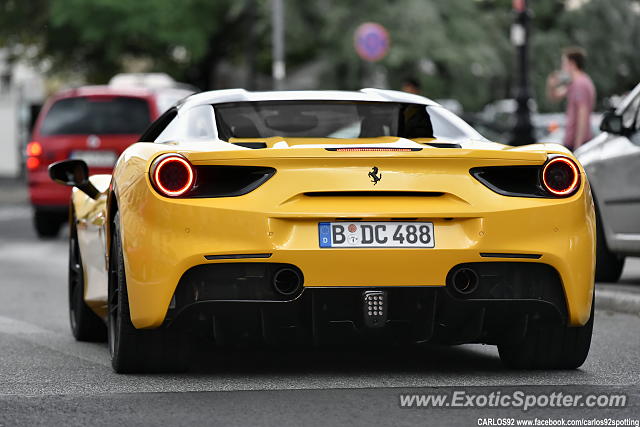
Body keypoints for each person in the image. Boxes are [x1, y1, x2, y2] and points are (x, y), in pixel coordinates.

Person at [546, 47, 596, 150]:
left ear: (572, 64)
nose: (562, 67)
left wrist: (578, 145)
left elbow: (583, 115)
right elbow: (554, 97)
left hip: (577, 143)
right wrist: (551, 85)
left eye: (564, 63)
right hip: (573, 142)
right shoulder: (573, 83)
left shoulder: (580, 84)